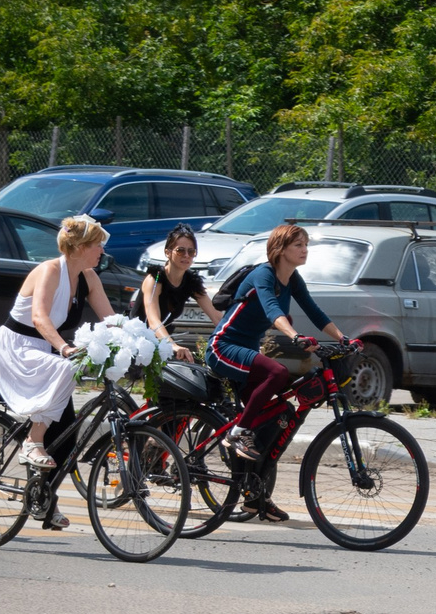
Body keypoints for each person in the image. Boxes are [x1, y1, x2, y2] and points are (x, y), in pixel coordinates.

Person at [206, 223, 349, 521]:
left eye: (306, 244)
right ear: (280, 249)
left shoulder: (293, 279)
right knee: (278, 373)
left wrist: (342, 339)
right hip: (224, 347)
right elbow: (273, 310)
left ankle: (256, 497)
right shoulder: (264, 274)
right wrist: (295, 336)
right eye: (298, 245)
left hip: (247, 352)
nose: (305, 250)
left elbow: (314, 311)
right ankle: (238, 432)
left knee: (280, 414)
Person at [0, 214, 114, 491]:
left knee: (66, 439)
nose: (102, 251)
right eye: (98, 245)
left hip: (45, 352)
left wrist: (140, 344)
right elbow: (39, 318)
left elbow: (111, 320)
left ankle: (43, 500)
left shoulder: (89, 278)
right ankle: (32, 441)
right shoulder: (49, 271)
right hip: (17, 348)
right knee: (68, 367)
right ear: (82, 247)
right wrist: (64, 347)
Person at [138, 223, 204, 362]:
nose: (186, 256)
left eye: (191, 252)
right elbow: (153, 320)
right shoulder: (155, 279)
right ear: (168, 252)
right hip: (138, 339)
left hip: (163, 340)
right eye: (180, 250)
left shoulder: (191, 281)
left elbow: (216, 315)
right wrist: (172, 345)